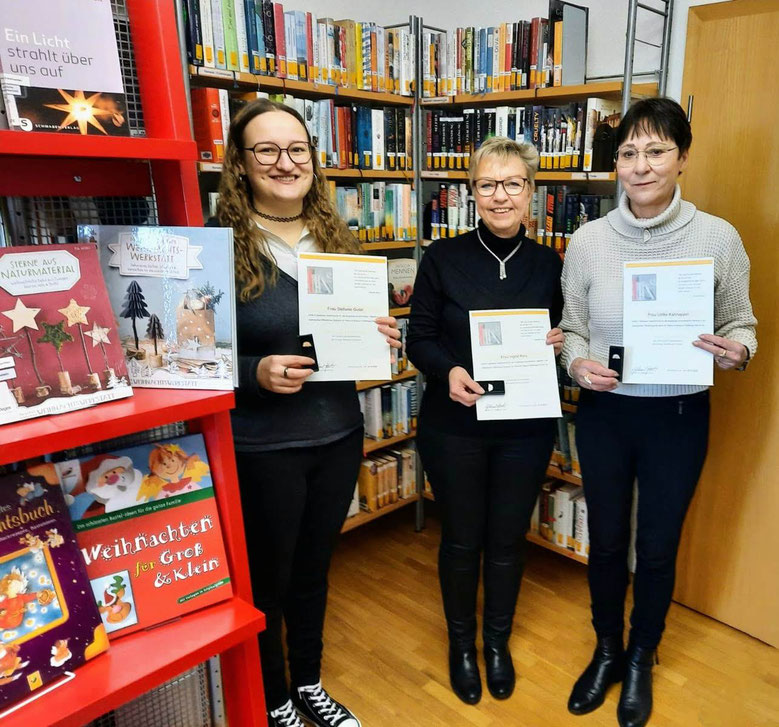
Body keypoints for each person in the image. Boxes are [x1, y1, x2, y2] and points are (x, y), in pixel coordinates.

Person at [560, 98, 757, 727]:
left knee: (659, 543)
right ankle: (608, 650)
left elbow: (741, 322)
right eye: (628, 153)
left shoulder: (717, 237)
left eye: (657, 150)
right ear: (614, 163)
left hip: (677, 415)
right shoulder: (588, 241)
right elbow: (572, 329)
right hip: (606, 415)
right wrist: (578, 365)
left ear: (682, 158)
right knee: (609, 539)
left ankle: (643, 654)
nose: (641, 166)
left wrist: (738, 350)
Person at [216, 98, 400, 727]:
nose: (285, 162)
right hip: (263, 446)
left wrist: (382, 335)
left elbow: (352, 338)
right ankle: (272, 698)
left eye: (297, 149)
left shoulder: (337, 239)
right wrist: (254, 373)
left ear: (314, 162)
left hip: (338, 433)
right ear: (239, 165)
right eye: (265, 150)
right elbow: (189, 359)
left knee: (316, 572)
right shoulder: (219, 246)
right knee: (269, 577)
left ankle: (309, 683)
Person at [407, 136, 564, 705]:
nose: (501, 196)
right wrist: (447, 370)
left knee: (506, 539)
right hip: (455, 428)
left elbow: (569, 342)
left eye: (513, 184)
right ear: (471, 192)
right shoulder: (442, 258)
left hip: (524, 429)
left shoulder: (550, 264)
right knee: (461, 539)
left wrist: (560, 340)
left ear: (532, 194)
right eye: (488, 184)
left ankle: (496, 643)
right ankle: (461, 646)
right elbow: (417, 337)